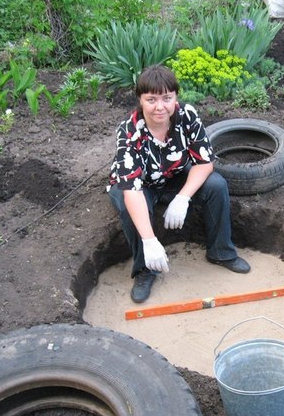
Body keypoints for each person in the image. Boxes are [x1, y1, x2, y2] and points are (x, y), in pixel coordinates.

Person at [107, 64, 250, 303]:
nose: (159, 106)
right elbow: (131, 188)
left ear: (175, 98)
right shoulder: (130, 131)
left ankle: (221, 253)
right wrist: (150, 240)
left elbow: (204, 162)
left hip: (174, 177)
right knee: (124, 202)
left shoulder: (186, 116)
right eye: (151, 99)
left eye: (167, 98)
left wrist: (182, 198)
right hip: (139, 185)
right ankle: (145, 269)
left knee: (216, 185)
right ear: (140, 100)